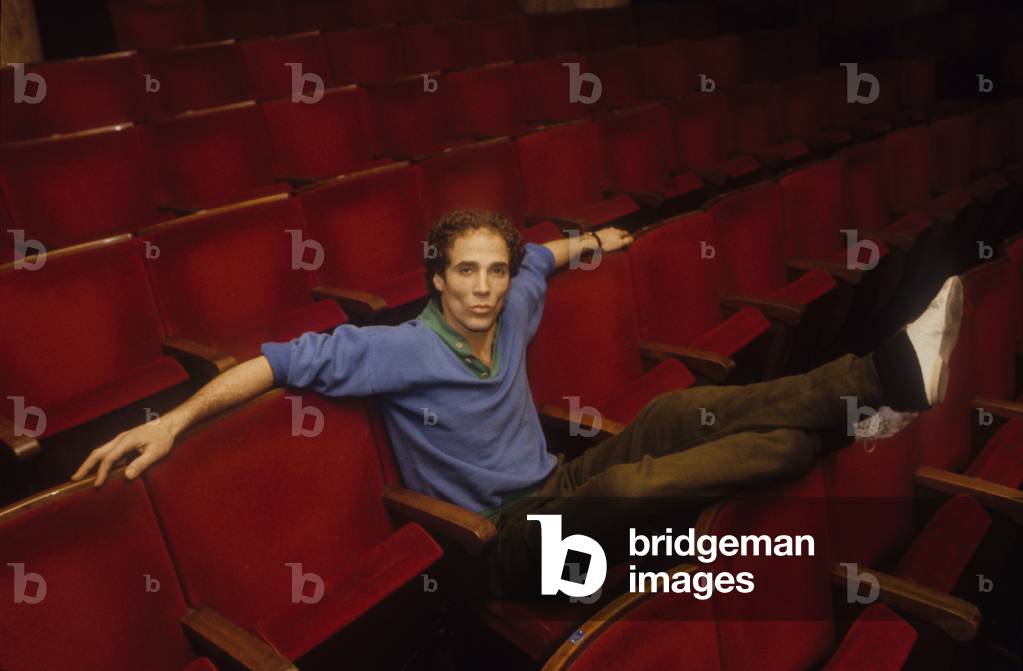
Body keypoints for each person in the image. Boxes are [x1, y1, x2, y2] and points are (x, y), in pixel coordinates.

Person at [72, 209, 963, 596]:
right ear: (435, 278)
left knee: (669, 415)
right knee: (645, 485)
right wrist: (172, 419)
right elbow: (272, 363)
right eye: (466, 271)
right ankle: (862, 395)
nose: (486, 287)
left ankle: (867, 388)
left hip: (554, 477)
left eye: (494, 270)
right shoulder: (395, 349)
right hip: (505, 541)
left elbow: (546, 254)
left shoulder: (518, 290)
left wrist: (600, 240)